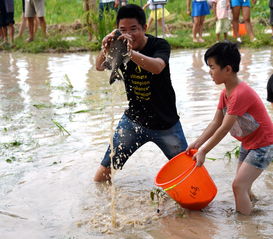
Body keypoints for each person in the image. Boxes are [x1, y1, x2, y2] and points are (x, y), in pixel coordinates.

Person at [94, 4, 188, 182]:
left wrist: (130, 53)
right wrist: (105, 47)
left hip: (166, 124)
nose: (128, 34)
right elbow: (99, 66)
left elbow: (158, 67)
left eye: (133, 29)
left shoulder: (159, 44)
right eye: (123, 30)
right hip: (133, 122)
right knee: (102, 176)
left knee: (188, 174)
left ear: (144, 28)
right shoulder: (119, 45)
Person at [186, 42, 273, 215]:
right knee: (243, 187)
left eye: (212, 67)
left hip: (264, 144)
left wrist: (203, 151)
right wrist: (197, 143)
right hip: (249, 143)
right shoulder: (225, 94)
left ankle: (244, 225)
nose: (209, 72)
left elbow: (224, 129)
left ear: (227, 69)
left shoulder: (240, 94)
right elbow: (215, 123)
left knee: (238, 186)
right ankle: (259, 215)